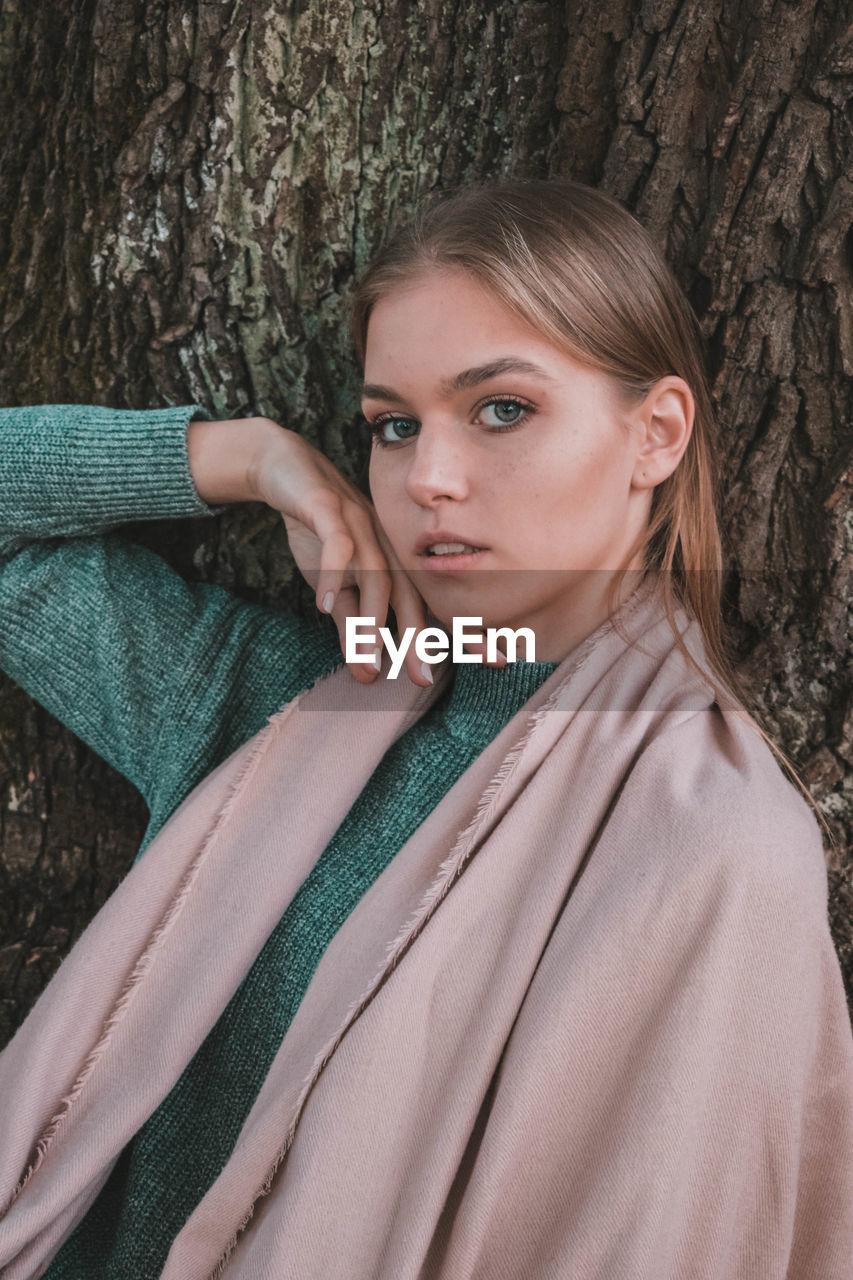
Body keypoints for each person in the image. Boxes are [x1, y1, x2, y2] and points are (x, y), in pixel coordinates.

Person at [0, 177, 851, 1280]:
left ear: (656, 433)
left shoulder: (718, 848)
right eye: (392, 426)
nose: (428, 478)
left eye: (502, 408)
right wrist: (253, 459)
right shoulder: (274, 704)